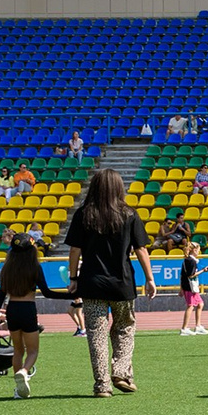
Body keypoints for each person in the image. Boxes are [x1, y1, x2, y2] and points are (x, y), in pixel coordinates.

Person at [66, 169, 153, 396]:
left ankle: (102, 385)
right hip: (122, 283)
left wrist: (73, 278)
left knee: (96, 334)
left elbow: (75, 249)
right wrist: (150, 279)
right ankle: (121, 371)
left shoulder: (83, 213)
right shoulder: (129, 214)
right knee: (125, 328)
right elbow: (141, 249)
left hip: (92, 282)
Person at [0, 233, 47, 398]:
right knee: (33, 350)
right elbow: (47, 292)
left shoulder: (7, 268)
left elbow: (0, 296)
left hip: (12, 309)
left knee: (18, 350)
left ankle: (19, 389)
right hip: (28, 309)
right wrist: (72, 295)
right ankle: (24, 372)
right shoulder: (35, 267)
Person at [178, 235, 208, 335]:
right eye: (197, 250)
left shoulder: (189, 260)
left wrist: (180, 287)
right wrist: (203, 271)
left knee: (200, 304)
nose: (198, 252)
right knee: (190, 306)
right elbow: (190, 275)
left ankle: (198, 326)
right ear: (193, 250)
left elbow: (182, 275)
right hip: (190, 287)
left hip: (190, 286)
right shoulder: (190, 261)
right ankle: (184, 328)